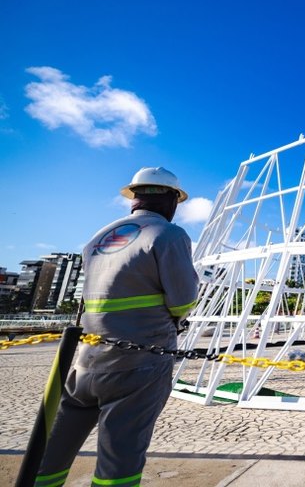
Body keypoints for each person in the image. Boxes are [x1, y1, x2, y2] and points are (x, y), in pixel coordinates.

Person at [36, 167, 199, 487]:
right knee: (120, 456)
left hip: (86, 359)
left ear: (134, 198)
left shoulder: (99, 237)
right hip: (138, 362)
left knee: (56, 445)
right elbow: (183, 301)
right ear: (172, 200)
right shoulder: (169, 234)